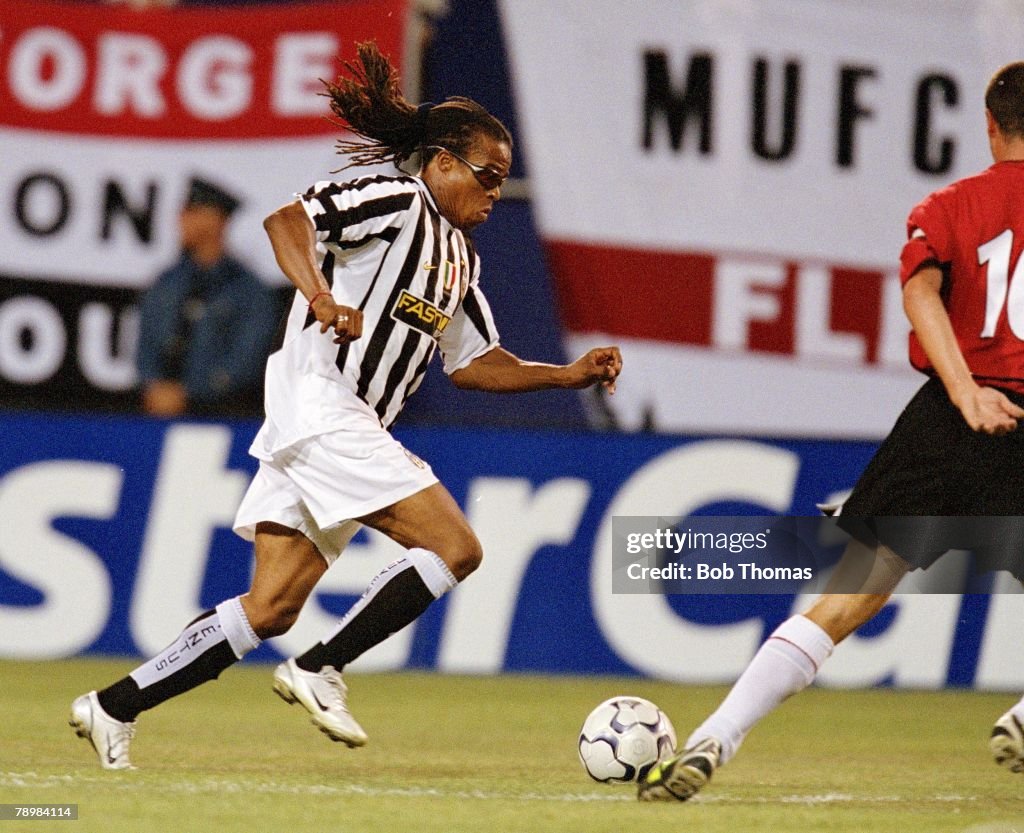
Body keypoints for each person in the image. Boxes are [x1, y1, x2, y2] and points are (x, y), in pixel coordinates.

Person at [70, 41, 623, 770]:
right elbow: (286, 222)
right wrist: (321, 294)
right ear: (443, 163)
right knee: (455, 546)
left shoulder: (461, 258)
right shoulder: (395, 200)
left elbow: (474, 361)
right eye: (488, 176)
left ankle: (112, 705)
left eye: (503, 182)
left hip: (332, 424)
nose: (494, 193)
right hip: (323, 403)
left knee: (270, 607)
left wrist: (567, 374)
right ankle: (320, 666)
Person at [639, 61, 1024, 802]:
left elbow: (920, 293)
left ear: (988, 125)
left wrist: (965, 389)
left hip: (945, 417)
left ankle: (713, 736)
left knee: (845, 599)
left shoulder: (948, 203)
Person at [136, 177, 279, 418]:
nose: (181, 219)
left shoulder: (248, 291)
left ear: (216, 219)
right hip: (159, 414)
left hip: (223, 415)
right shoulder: (167, 283)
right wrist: (155, 386)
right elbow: (146, 346)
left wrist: (191, 391)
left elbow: (247, 360)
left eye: (193, 211)